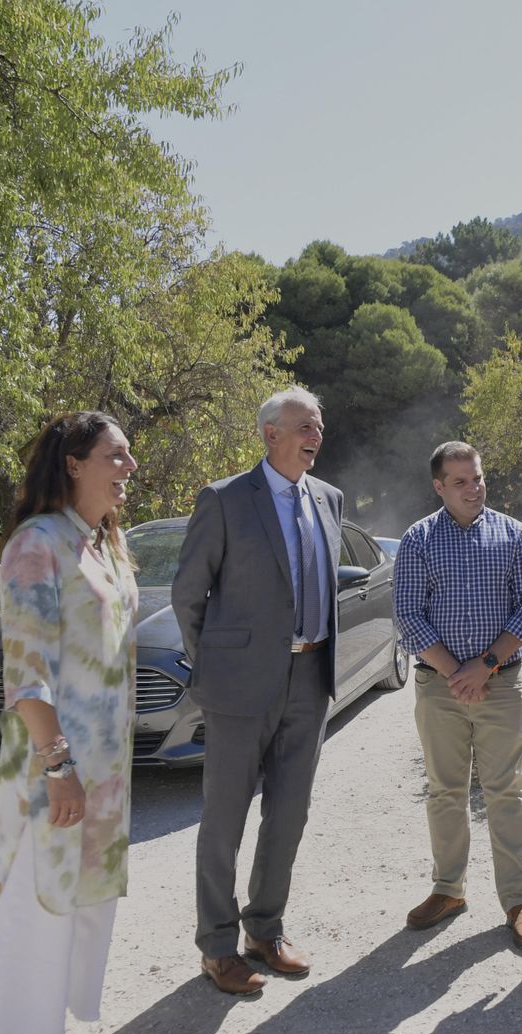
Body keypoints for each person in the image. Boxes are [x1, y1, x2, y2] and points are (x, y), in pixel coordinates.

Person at [0, 412, 140, 1034]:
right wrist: (58, 766)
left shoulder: (104, 543)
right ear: (73, 463)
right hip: (52, 769)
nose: (129, 467)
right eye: (115, 455)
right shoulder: (36, 543)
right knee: (35, 907)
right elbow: (27, 669)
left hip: (103, 771)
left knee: (76, 906)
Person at [172, 386, 345, 996]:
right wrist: (214, 666)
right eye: (305, 426)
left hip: (310, 677)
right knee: (224, 819)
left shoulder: (329, 498)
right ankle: (217, 947)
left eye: (318, 425)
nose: (316, 435)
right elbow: (188, 595)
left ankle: (264, 931)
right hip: (239, 687)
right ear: (271, 434)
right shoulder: (223, 499)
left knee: (289, 813)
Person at [392, 441, 522, 949]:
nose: (473, 488)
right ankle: (448, 890)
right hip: (440, 689)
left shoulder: (513, 535)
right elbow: (408, 615)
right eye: (459, 481)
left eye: (477, 478)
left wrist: (484, 667)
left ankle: (518, 899)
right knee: (445, 792)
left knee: (507, 792)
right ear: (439, 486)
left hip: (502, 684)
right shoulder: (418, 540)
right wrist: (457, 673)